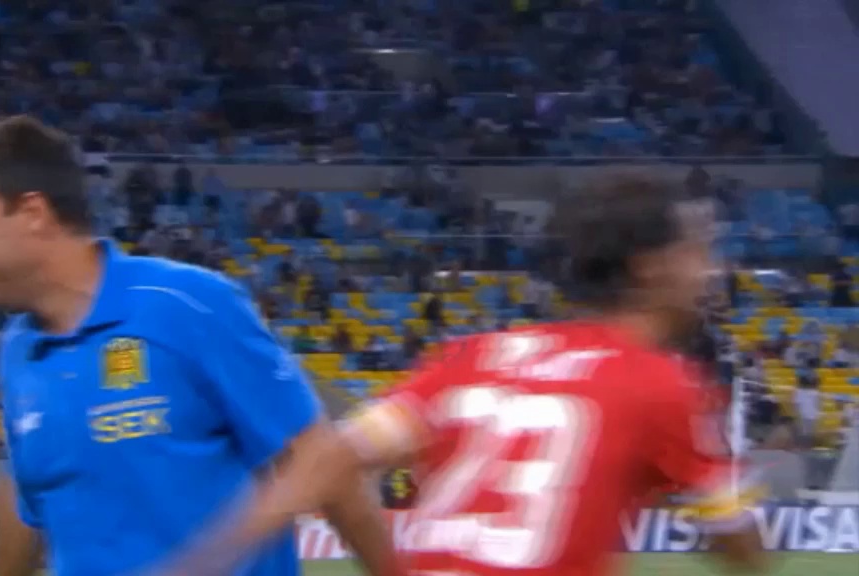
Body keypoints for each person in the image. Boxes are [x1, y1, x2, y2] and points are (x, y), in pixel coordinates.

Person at [176, 176, 768, 575]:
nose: (711, 271)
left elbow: (336, 455)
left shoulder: (474, 356)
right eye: (699, 252)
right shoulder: (661, 383)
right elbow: (737, 538)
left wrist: (206, 557)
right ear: (650, 268)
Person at [0, 115, 395, 576]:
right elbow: (28, 498)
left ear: (33, 212)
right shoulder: (18, 349)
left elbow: (323, 463)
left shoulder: (187, 305)